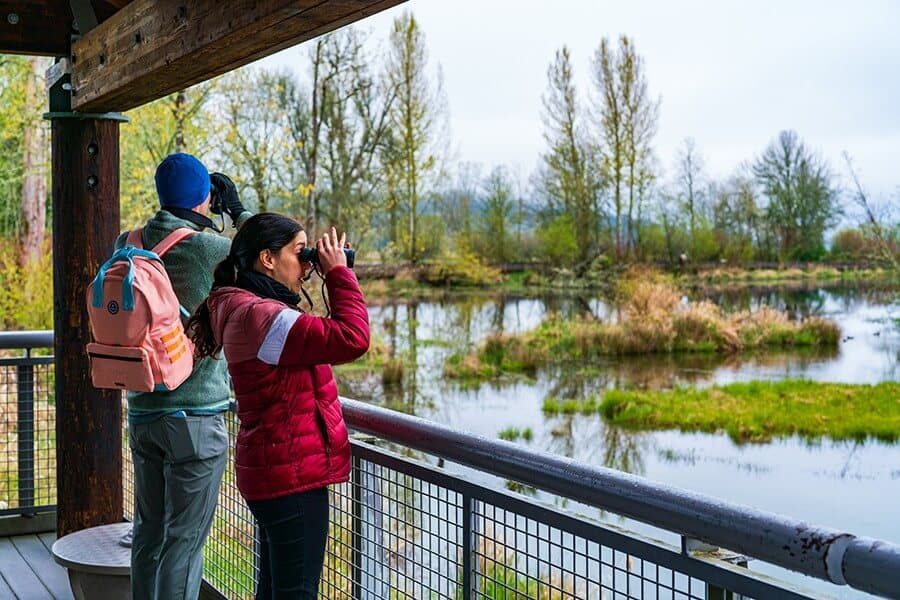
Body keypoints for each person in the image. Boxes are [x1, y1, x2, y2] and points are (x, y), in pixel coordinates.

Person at [187, 214, 369, 599]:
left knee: (274, 590)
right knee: (295, 593)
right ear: (267, 259)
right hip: (292, 477)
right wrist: (336, 273)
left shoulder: (245, 308)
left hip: (274, 469)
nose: (306, 263)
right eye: (298, 252)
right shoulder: (264, 318)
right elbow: (352, 338)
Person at [120, 152, 250, 600]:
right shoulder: (206, 249)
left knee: (148, 534)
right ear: (204, 198)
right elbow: (266, 250)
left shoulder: (128, 241)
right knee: (185, 542)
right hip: (195, 417)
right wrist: (235, 210)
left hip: (142, 413)